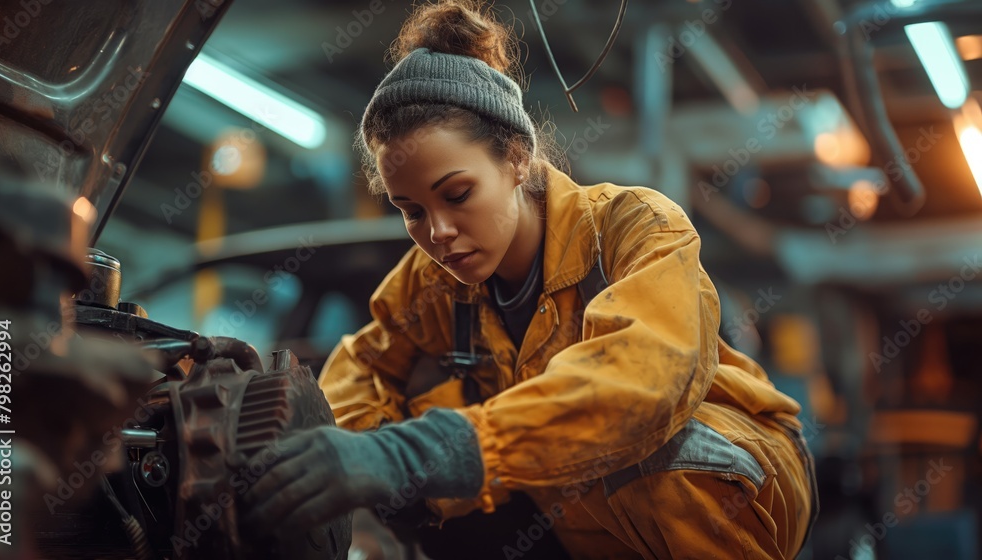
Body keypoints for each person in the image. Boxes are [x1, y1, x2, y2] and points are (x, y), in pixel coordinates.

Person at [242, 1, 817, 558]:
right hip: (579, 517)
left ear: (517, 158)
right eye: (411, 210)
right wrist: (373, 458)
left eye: (457, 194)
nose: (436, 232)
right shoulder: (430, 282)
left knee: (638, 453)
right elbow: (363, 363)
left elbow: (644, 380)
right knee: (436, 476)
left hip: (732, 477)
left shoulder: (631, 225)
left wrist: (425, 452)